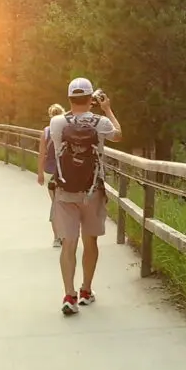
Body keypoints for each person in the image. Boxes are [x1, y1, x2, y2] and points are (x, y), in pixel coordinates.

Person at [50, 77, 121, 316]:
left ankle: (68, 295)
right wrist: (107, 108)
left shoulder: (57, 122)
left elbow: (57, 148)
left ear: (69, 97)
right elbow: (118, 135)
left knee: (69, 243)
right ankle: (86, 291)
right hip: (92, 191)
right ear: (90, 98)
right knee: (90, 242)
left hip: (65, 191)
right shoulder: (100, 122)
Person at [36, 103, 66, 247]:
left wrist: (40, 173)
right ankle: (66, 234)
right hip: (65, 172)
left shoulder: (46, 132)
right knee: (65, 204)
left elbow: (42, 154)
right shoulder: (67, 130)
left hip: (49, 171)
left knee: (55, 203)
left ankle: (57, 237)